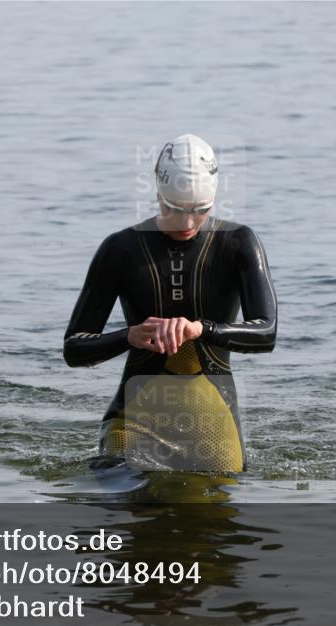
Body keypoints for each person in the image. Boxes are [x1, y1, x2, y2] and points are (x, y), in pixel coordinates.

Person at [63, 133, 277, 473]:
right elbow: (74, 349)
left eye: (200, 211)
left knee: (216, 506)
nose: (187, 223)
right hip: (132, 419)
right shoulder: (120, 249)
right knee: (118, 487)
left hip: (215, 423)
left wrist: (200, 329)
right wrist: (128, 336)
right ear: (158, 193)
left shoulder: (238, 243)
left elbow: (266, 333)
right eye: (175, 209)